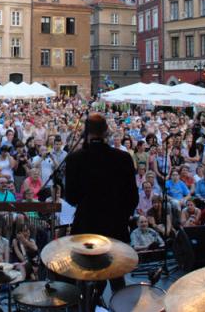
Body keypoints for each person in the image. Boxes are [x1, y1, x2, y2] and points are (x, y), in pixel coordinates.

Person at [64, 113, 138, 296]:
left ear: (85, 132)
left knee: (85, 277)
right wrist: (121, 216)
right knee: (117, 277)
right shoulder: (123, 158)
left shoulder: (75, 159)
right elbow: (133, 198)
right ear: (107, 132)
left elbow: (71, 197)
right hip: (115, 227)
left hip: (86, 226)